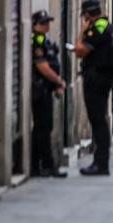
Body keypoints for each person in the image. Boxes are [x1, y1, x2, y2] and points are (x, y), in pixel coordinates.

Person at [75, 0, 113, 176]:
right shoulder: (109, 26)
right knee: (100, 121)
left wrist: (82, 32)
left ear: (87, 15)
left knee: (98, 121)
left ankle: (101, 164)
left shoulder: (96, 29)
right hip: (104, 77)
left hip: (96, 79)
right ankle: (101, 162)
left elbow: (80, 51)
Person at [30, 10, 67, 178]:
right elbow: (42, 66)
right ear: (35, 24)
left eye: (48, 22)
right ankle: (47, 165)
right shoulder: (37, 41)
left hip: (46, 89)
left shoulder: (44, 40)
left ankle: (35, 166)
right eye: (43, 22)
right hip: (40, 90)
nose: (47, 25)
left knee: (42, 127)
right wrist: (58, 81)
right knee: (43, 128)